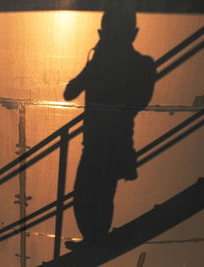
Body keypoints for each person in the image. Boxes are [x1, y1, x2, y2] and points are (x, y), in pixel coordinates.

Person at [63, 5, 156, 249]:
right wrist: (94, 64)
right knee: (85, 196)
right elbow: (69, 92)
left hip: (112, 143)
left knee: (96, 195)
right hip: (97, 142)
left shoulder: (142, 65)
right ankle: (94, 238)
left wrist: (102, 65)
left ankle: (96, 239)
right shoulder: (109, 64)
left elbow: (137, 102)